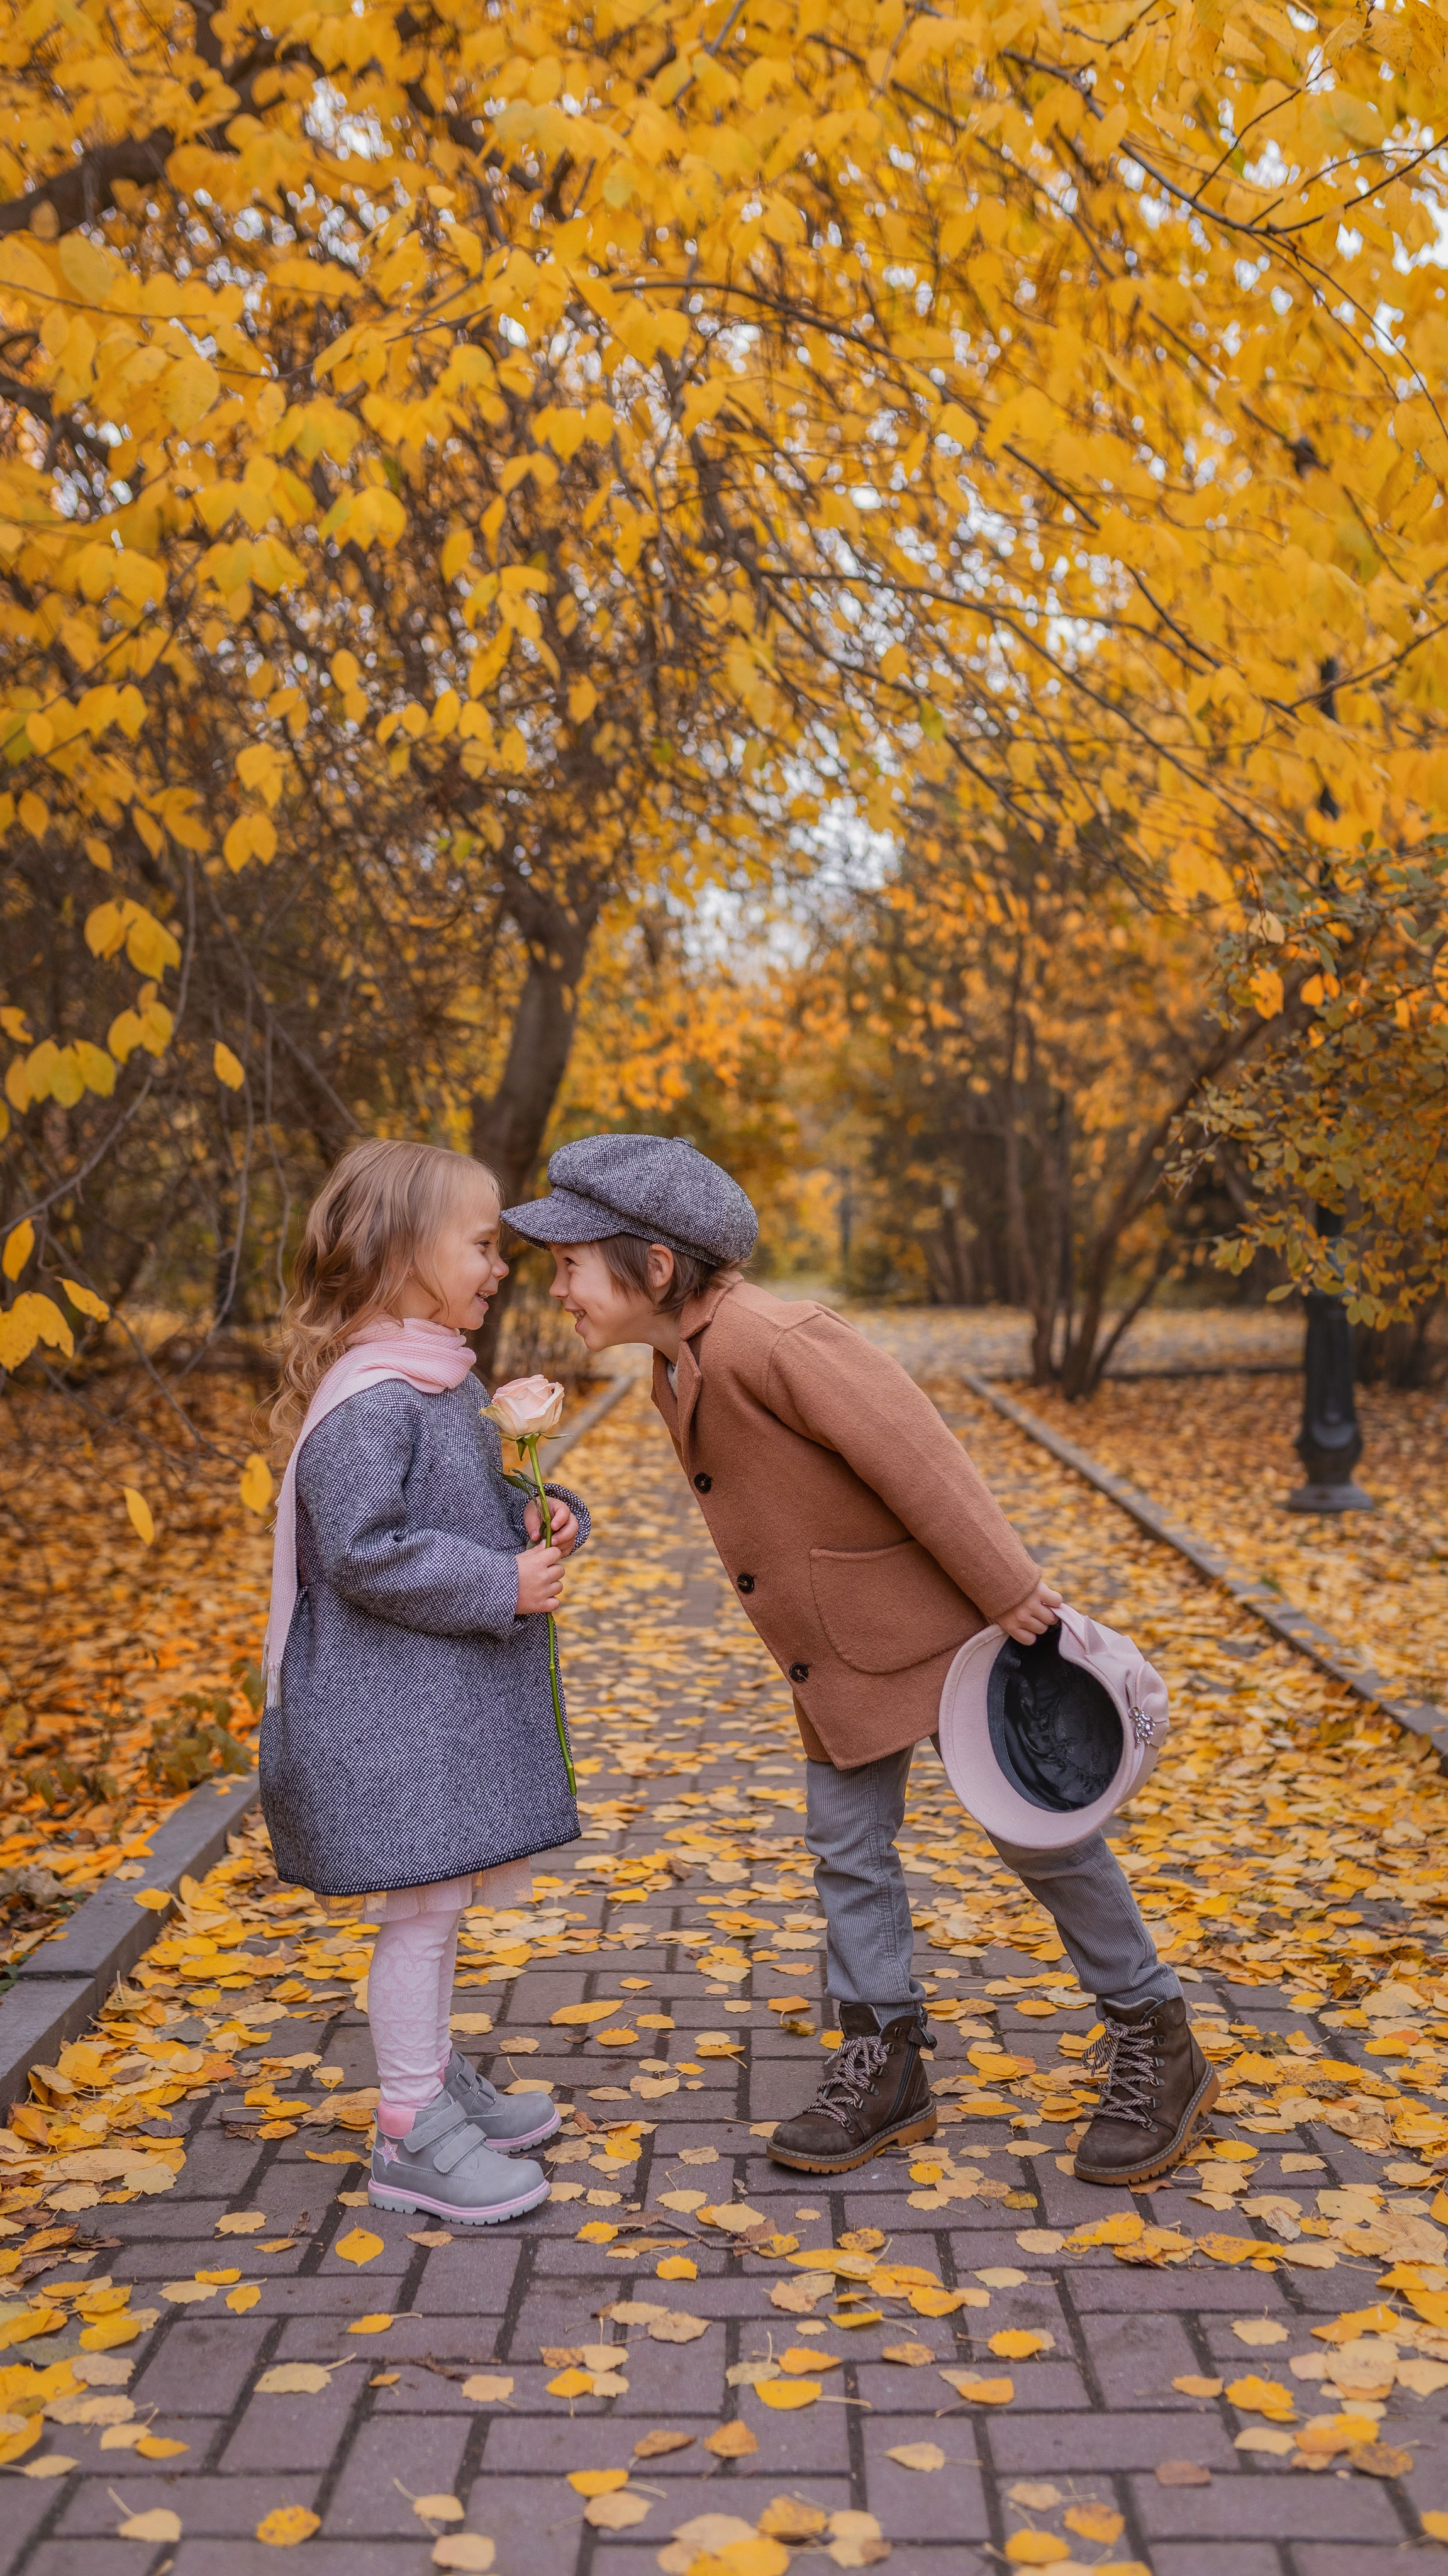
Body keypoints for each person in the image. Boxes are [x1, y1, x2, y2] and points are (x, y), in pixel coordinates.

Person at [503, 1135, 1215, 2186]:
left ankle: (1156, 2033)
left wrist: (1014, 1594)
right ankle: (884, 2056)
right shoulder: (676, 1358)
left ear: (653, 1269)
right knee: (847, 1846)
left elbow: (920, 1455)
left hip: (945, 1634)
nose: (556, 1283)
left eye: (571, 1262)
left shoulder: (781, 1339)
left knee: (1043, 1835)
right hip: (831, 1656)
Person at [261, 1137, 588, 2226]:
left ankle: (434, 2077)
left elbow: (452, 1506)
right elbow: (363, 1548)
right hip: (387, 1714)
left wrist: (534, 1514)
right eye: (484, 1245)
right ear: (404, 1253)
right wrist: (499, 1579)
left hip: (425, 1708)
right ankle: (409, 2126)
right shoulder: (376, 1398)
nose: (500, 1267)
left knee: (436, 1908)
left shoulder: (441, 1377)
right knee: (422, 1918)